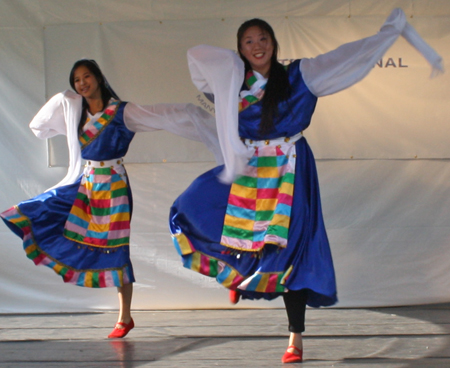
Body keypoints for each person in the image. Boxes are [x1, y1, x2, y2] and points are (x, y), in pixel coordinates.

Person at [169, 8, 443, 363]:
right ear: (239, 49)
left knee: (291, 251)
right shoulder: (230, 82)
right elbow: (197, 57)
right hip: (250, 171)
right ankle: (236, 276)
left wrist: (390, 33)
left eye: (263, 39)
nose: (257, 46)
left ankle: (294, 336)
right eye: (248, 41)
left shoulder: (299, 75)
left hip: (289, 170)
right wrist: (232, 68)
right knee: (197, 209)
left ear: (274, 43)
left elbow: (346, 58)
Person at [1, 59, 217, 339]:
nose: (82, 83)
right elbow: (39, 125)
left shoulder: (121, 112)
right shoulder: (76, 114)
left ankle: (124, 316)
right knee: (42, 209)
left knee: (115, 248)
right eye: (76, 80)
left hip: (113, 185)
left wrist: (195, 115)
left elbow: (162, 115)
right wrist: (65, 99)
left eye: (86, 76)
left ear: (99, 78)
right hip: (85, 183)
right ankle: (111, 301)